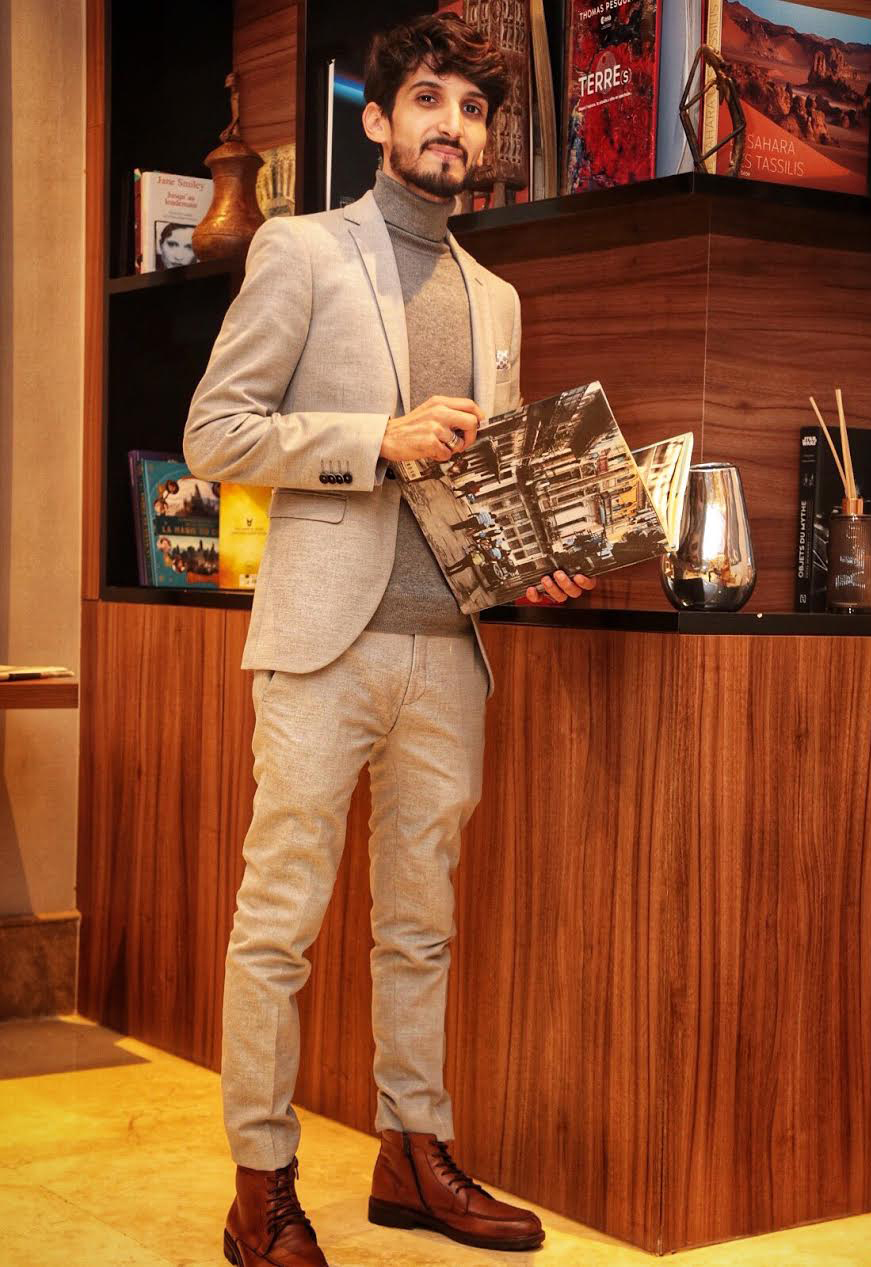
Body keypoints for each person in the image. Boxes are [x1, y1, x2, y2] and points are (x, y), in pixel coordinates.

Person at [183, 13, 596, 1267]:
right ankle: (261, 1187)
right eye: (428, 99)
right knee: (280, 922)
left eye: (472, 108)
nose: (451, 126)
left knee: (422, 925)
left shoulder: (499, 297)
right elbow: (216, 432)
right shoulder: (302, 250)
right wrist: (376, 439)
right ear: (376, 120)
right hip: (324, 643)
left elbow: (487, 479)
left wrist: (535, 555)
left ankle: (414, 1154)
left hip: (448, 652)